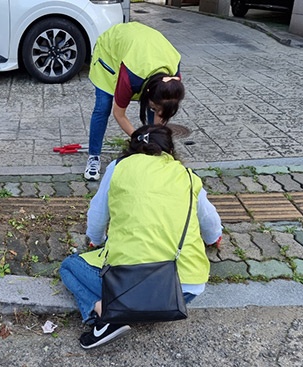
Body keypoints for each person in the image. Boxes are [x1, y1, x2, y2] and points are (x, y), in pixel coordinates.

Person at [60, 125, 222, 349]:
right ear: (169, 149)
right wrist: (214, 238)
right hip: (182, 289)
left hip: (128, 284)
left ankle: (104, 313)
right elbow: (210, 221)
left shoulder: (118, 167)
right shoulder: (187, 175)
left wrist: (95, 240)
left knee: (68, 266)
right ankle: (127, 310)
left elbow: (97, 216)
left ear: (132, 147)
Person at [84, 22, 185, 181]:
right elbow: (119, 114)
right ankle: (93, 156)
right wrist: (140, 139)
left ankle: (154, 158)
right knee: (103, 107)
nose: (158, 113)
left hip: (142, 50)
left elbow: (161, 114)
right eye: (155, 107)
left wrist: (156, 142)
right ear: (149, 93)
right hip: (110, 53)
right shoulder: (131, 76)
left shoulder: (173, 82)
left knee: (157, 117)